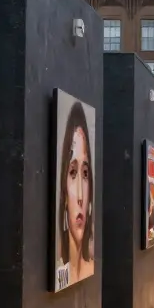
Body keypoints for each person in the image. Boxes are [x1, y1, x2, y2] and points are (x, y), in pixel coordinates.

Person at [56, 101, 94, 290]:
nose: (80, 195)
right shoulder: (60, 269)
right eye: (72, 173)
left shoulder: (90, 268)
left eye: (85, 174)